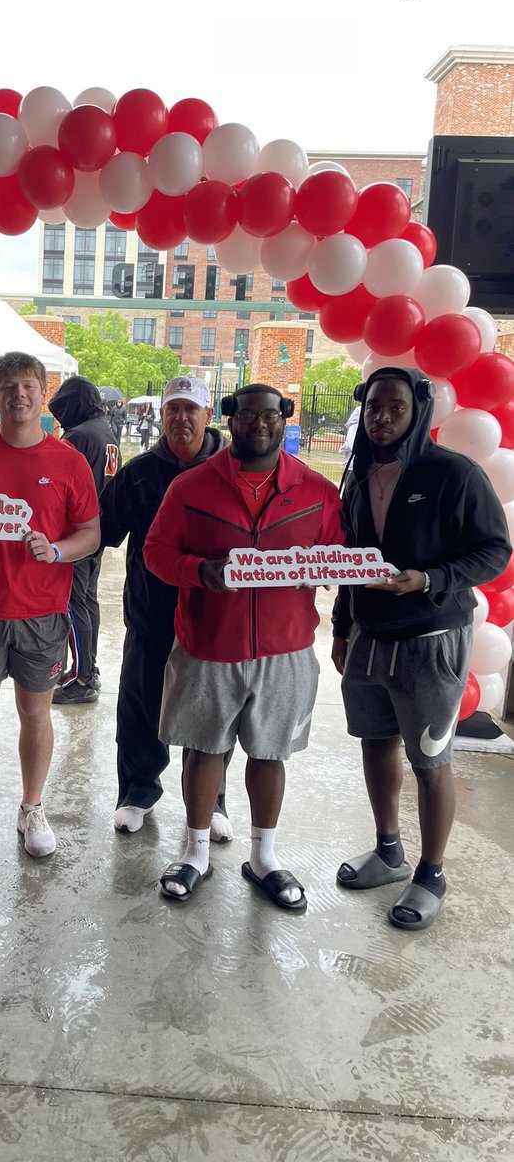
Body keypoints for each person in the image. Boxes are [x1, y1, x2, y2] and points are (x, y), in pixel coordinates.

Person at [145, 384, 342, 907]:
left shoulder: (317, 491)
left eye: (271, 415)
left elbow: (337, 554)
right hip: (210, 645)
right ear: (229, 419)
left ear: (285, 420)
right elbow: (156, 553)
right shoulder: (191, 488)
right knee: (204, 749)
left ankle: (264, 858)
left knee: (270, 753)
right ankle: (195, 853)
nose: (260, 424)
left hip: (286, 648)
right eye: (248, 414)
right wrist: (200, 571)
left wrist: (331, 572)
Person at [331, 367, 510, 931]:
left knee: (430, 760)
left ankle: (431, 873)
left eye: (396, 408)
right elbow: (350, 560)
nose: (382, 418)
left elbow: (494, 551)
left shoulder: (452, 473)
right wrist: (341, 625)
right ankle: (389, 851)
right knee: (375, 743)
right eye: (375, 407)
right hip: (367, 637)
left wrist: (430, 578)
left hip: (430, 640)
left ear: (419, 411)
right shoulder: (358, 476)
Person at [0, 351, 100, 861]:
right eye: (8, 386)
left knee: (36, 713)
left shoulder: (69, 461)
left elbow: (90, 534)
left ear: (43, 392)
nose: (19, 395)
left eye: (28, 385)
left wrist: (55, 550)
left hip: (41, 613)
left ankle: (32, 808)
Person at [100, 376, 232, 835]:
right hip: (151, 610)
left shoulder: (233, 469)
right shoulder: (138, 473)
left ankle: (213, 801)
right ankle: (137, 790)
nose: (181, 417)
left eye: (190, 409)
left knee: (214, 710)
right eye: (172, 409)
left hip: (216, 615)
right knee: (141, 705)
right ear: (161, 416)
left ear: (208, 414)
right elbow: (101, 531)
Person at [48, 376, 120, 705]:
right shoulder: (105, 429)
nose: (60, 419)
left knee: (74, 604)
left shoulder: (77, 437)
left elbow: (54, 484)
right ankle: (87, 667)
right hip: (99, 528)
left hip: (77, 532)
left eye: (62, 411)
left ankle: (83, 678)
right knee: (87, 601)